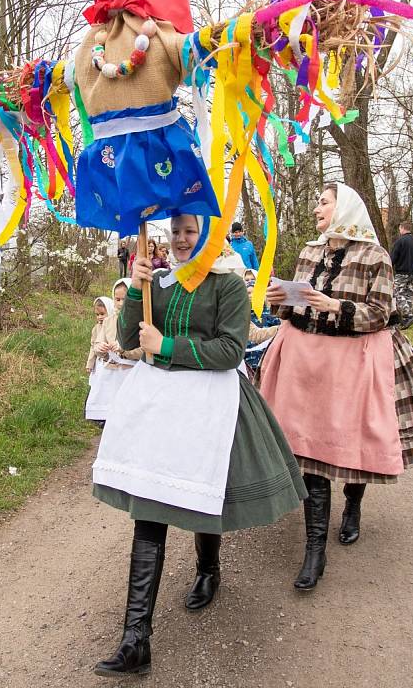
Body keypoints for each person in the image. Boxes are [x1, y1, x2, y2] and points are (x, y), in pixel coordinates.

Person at [91, 214, 306, 678]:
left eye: (192, 231)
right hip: (159, 402)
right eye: (177, 232)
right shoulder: (158, 281)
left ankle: (208, 569)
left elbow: (230, 350)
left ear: (208, 236)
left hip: (210, 402)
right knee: (150, 505)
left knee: (200, 492)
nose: (183, 239)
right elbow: (130, 340)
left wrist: (166, 344)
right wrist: (136, 292)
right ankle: (135, 641)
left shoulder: (227, 285)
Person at [260, 183, 413, 592]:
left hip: (351, 362)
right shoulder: (310, 252)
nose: (317, 207)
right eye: (316, 200)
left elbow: (382, 313)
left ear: (345, 208)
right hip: (303, 360)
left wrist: (336, 305)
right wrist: (279, 299)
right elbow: (292, 305)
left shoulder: (374, 255)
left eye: (324, 201)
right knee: (308, 454)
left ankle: (353, 503)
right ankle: (315, 549)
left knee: (353, 443)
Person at [85, 279, 141, 426]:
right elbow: (98, 342)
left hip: (130, 372)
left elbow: (145, 350)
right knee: (109, 405)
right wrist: (101, 349)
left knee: (127, 410)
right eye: (117, 299)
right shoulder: (109, 321)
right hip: (111, 372)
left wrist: (125, 351)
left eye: (125, 299)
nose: (121, 303)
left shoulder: (141, 321)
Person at [390, 220, 413, 329]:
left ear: (402, 228)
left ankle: (407, 315)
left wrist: (389, 267)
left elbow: (393, 257)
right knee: (408, 293)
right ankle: (407, 318)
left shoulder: (400, 241)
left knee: (397, 293)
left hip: (401, 272)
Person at [86, 296, 114, 375]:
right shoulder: (96, 328)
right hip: (100, 361)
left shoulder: (114, 326)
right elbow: (93, 346)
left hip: (113, 361)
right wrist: (90, 363)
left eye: (102, 314)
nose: (99, 317)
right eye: (97, 315)